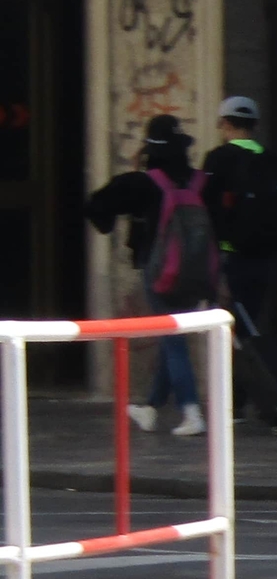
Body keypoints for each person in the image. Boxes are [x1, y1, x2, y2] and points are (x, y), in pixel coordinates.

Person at [83, 115, 214, 438]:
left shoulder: (142, 183)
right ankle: (151, 407)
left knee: (173, 339)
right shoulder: (202, 182)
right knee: (174, 336)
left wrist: (113, 225)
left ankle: (190, 410)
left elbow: (96, 206)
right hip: (198, 274)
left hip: (161, 273)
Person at [199, 94, 277, 336]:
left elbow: (204, 203)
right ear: (256, 125)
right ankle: (247, 368)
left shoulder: (218, 158)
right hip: (265, 254)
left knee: (222, 326)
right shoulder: (271, 160)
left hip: (229, 255)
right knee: (250, 319)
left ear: (225, 124)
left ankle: (231, 372)